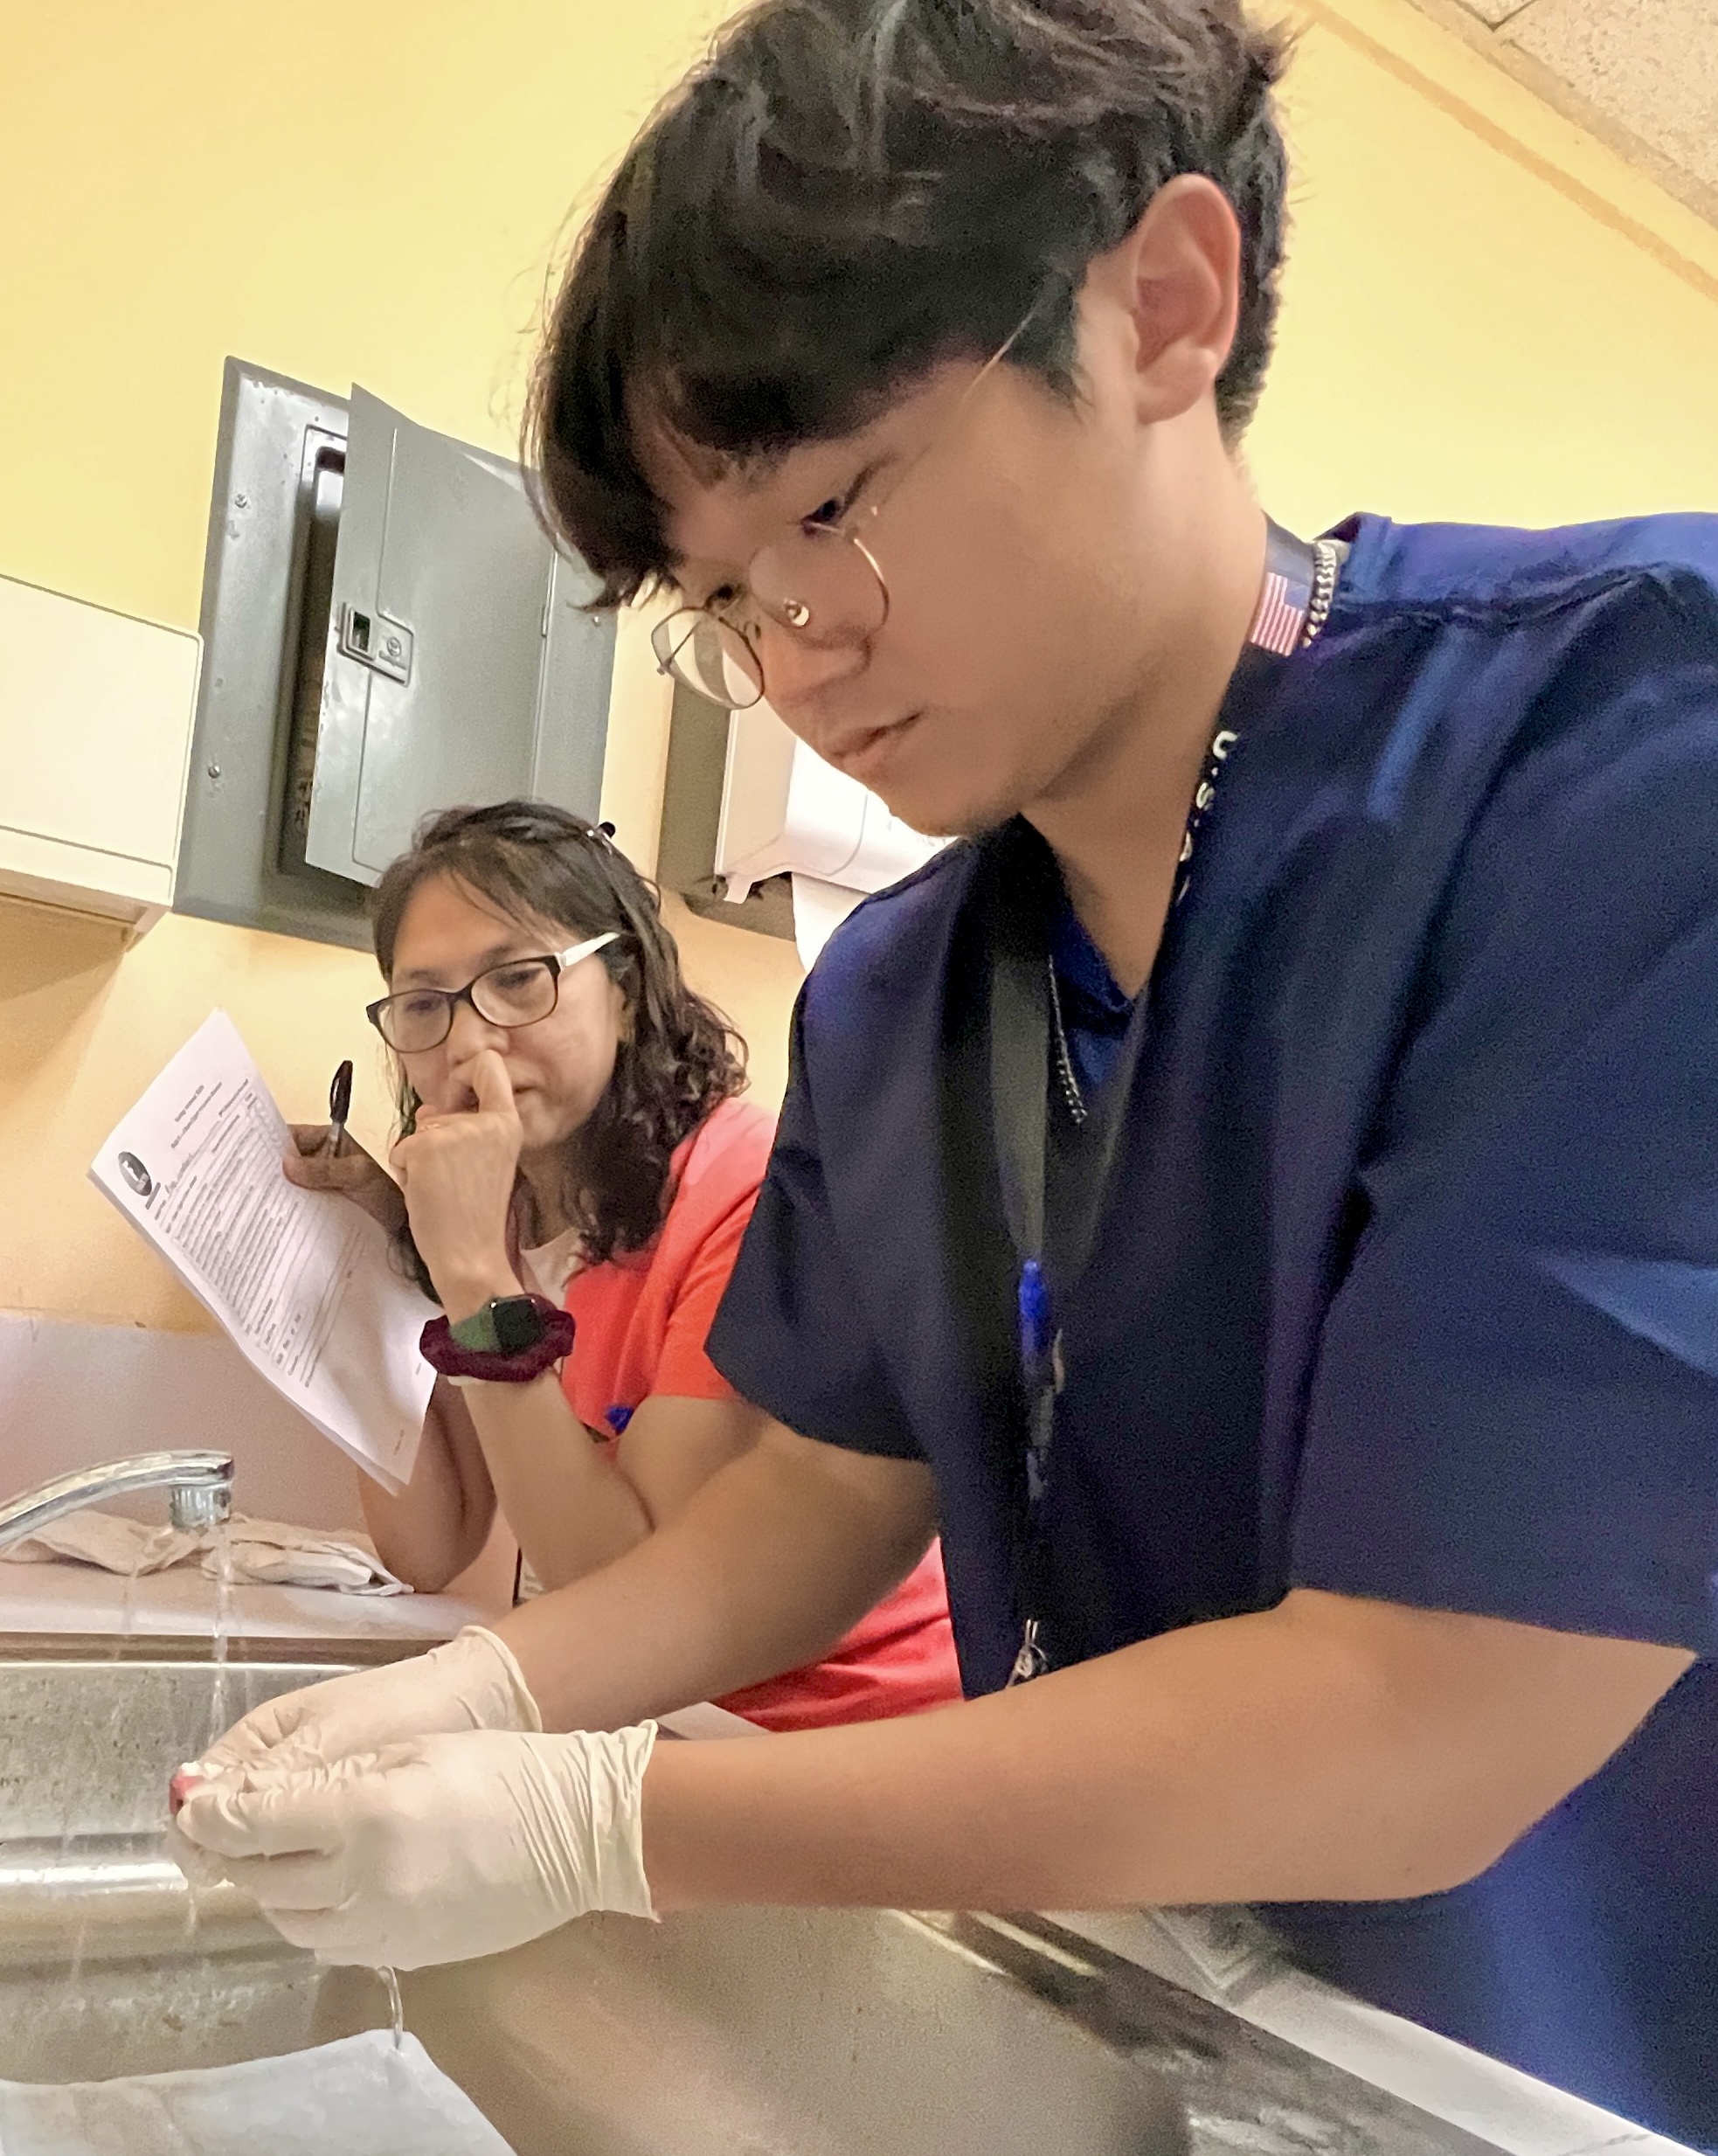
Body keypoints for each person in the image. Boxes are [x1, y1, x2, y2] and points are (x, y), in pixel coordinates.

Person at [171, 3, 1718, 2142]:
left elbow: (1427, 1698)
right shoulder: (907, 993)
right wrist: (478, 1688)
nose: (795, 654)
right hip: (1192, 2022)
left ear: (1165, 303)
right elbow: (812, 1498)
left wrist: (600, 1820)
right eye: (722, 595)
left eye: (832, 506)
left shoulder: (1619, 768)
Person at [280, 798, 962, 1730]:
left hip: (836, 1734)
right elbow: (428, 1545)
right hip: (660, 1719)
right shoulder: (505, 1205)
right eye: (425, 1003)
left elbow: (619, 1584)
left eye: (519, 980)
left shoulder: (743, 1194)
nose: (469, 1042)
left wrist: (474, 1269)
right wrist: (365, 1260)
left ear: (627, 989)